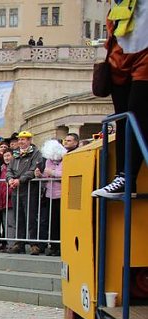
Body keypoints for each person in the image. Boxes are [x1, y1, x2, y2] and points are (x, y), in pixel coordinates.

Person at [93, 3, 148, 197]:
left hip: (144, 54)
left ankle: (127, 175)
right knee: (123, 117)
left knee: (136, 113)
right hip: (120, 53)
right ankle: (122, 178)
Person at [6, 131, 43, 254]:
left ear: (29, 140)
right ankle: (19, 243)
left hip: (29, 189)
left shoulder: (36, 153)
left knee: (31, 217)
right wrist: (10, 179)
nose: (21, 142)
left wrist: (20, 180)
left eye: (24, 139)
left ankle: (34, 243)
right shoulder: (15, 154)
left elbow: (33, 169)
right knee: (18, 217)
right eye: (20, 139)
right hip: (16, 190)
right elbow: (9, 169)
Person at [36, 139, 66, 256]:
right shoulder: (49, 161)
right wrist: (40, 175)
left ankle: (61, 246)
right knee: (52, 222)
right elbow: (46, 175)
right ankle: (54, 246)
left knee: (60, 222)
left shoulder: (66, 159)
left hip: (62, 195)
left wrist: (51, 172)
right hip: (50, 194)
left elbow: (64, 173)